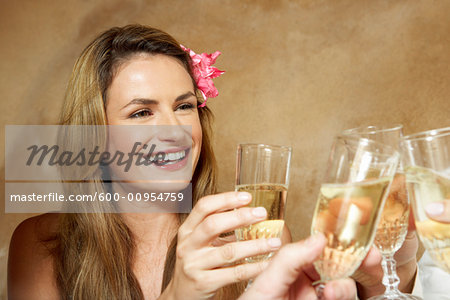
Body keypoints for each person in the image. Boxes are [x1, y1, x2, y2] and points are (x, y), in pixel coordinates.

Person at [7, 24, 415, 300]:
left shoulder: (254, 231)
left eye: (185, 106)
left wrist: (392, 274)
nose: (174, 130)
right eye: (141, 113)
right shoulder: (42, 244)